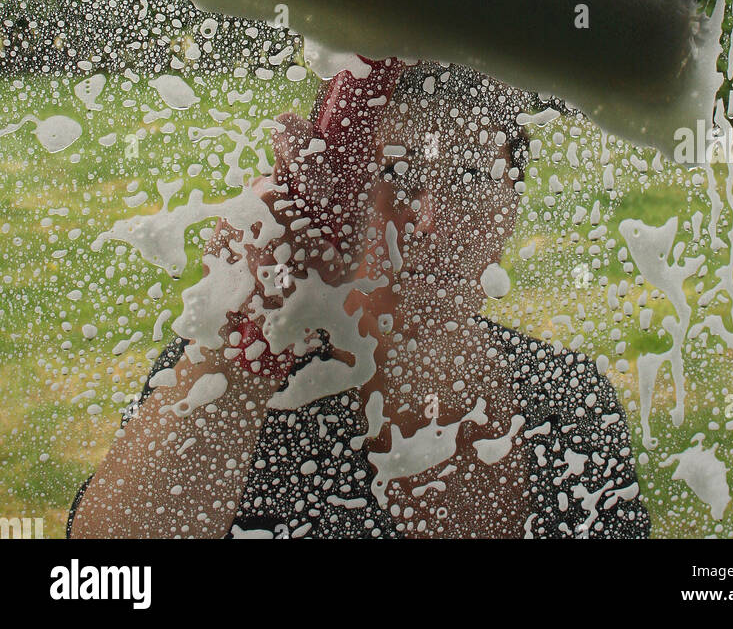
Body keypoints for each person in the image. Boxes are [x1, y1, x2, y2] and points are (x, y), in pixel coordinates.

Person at [68, 61, 649, 539]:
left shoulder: (567, 398)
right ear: (337, 198)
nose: (430, 221)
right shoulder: (248, 389)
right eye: (397, 174)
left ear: (511, 204)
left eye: (472, 176)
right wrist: (241, 340)